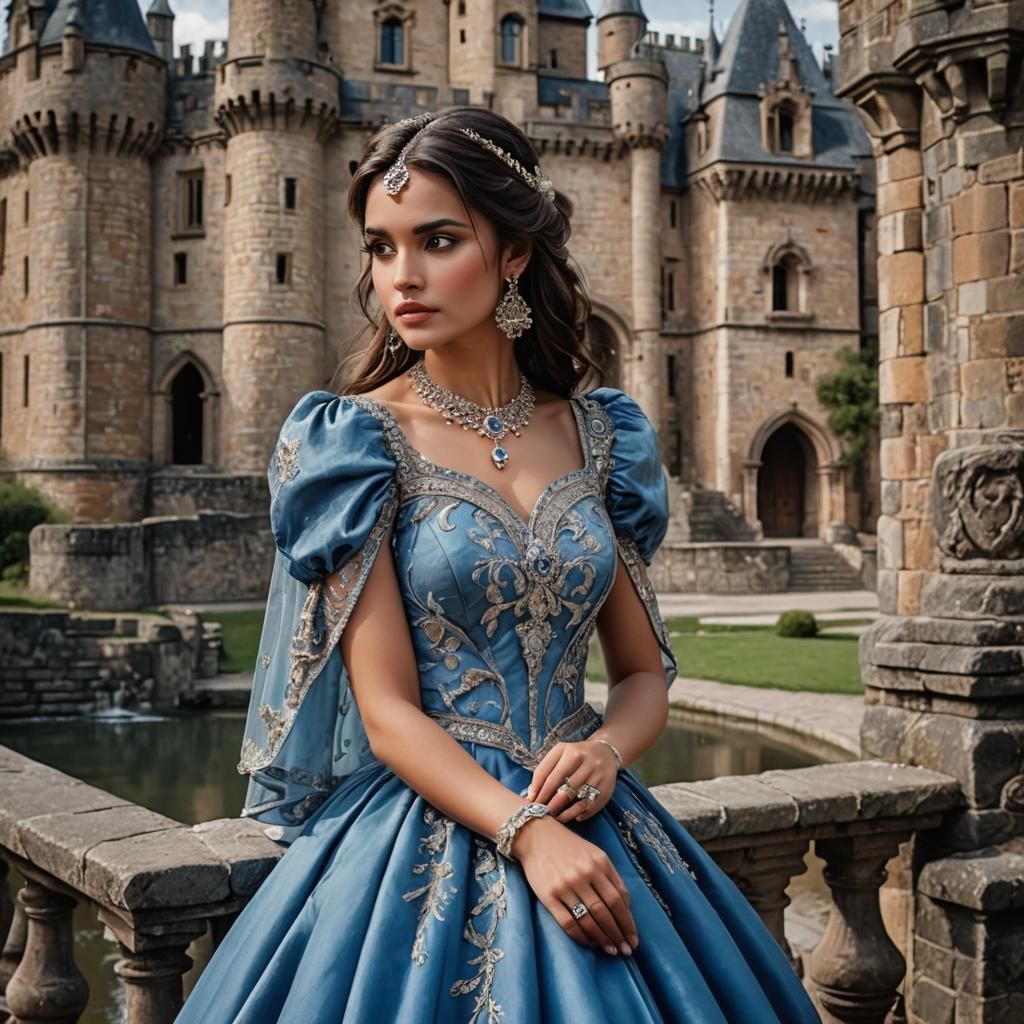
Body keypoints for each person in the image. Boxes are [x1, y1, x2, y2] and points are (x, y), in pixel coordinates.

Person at [174, 107, 822, 1023]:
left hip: (600, 817)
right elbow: (388, 710)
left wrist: (604, 749)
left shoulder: (604, 436)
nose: (403, 276)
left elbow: (643, 673)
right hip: (426, 829)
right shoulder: (356, 443)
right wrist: (527, 833)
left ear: (514, 253)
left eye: (438, 241)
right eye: (382, 247)